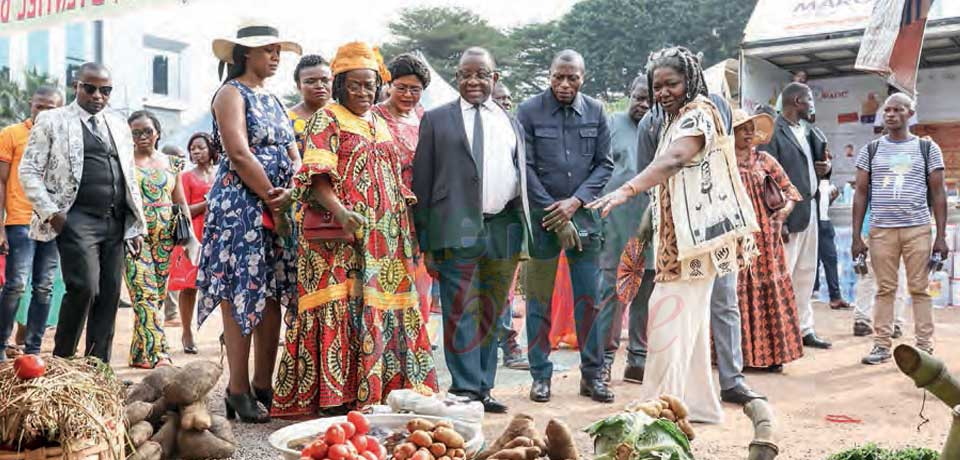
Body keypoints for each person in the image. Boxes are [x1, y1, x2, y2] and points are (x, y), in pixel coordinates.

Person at [588, 46, 760, 423]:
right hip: (680, 241)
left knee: (666, 321)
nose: (663, 92)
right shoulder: (669, 118)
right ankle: (697, 407)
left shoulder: (698, 114)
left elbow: (674, 159)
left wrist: (626, 190)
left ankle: (655, 414)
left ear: (690, 81)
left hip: (695, 244)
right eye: (657, 86)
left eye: (672, 84)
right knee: (691, 329)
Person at [272, 42, 438, 416]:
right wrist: (343, 212)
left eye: (370, 85)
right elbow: (315, 176)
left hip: (385, 240)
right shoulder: (326, 119)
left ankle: (380, 394)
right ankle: (335, 399)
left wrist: (404, 226)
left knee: (377, 307)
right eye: (355, 85)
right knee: (341, 305)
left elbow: (393, 177)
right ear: (340, 85)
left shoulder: (378, 121)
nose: (364, 92)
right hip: (339, 239)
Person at [413, 47, 532, 414]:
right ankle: (464, 388)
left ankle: (484, 387)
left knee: (494, 314)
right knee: (460, 311)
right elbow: (422, 183)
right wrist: (427, 243)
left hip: (503, 228)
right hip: (455, 229)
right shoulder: (436, 120)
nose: (473, 81)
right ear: (458, 76)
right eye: (466, 74)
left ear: (495, 78)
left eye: (482, 74)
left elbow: (519, 177)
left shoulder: (510, 122)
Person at [198, 23, 302, 423]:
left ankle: (263, 383)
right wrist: (271, 198)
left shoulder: (274, 99)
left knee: (273, 292)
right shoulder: (230, 93)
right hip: (240, 206)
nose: (275, 57)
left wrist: (288, 192)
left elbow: (294, 154)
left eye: (278, 50)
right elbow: (239, 153)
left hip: (278, 203)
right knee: (242, 292)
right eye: (267, 51)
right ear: (244, 54)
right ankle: (237, 388)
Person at [19, 62, 146, 364]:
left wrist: (134, 224)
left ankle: (96, 368)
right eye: (90, 88)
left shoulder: (117, 124)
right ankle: (63, 361)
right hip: (75, 219)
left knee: (110, 294)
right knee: (84, 286)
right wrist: (52, 213)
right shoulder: (52, 120)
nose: (98, 95)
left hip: (115, 220)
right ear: (76, 86)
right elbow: (29, 171)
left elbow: (128, 174)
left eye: (106, 90)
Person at [519, 49, 614, 404]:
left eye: (572, 77)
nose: (564, 83)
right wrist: (555, 211)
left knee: (588, 300)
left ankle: (592, 377)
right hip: (543, 222)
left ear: (582, 78)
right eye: (558, 76)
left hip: (585, 219)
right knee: (538, 300)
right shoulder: (528, 111)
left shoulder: (596, 111)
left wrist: (575, 203)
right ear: (549, 75)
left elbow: (604, 166)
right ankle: (540, 376)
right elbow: (524, 168)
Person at [852, 93, 947, 365]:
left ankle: (924, 348)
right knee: (885, 289)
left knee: (919, 288)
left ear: (910, 113)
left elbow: (938, 194)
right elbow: (860, 194)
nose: (890, 114)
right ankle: (881, 345)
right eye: (887, 110)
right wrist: (858, 236)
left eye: (897, 110)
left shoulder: (927, 149)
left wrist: (940, 236)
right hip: (881, 230)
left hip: (917, 228)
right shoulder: (870, 150)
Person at [759, 82, 832, 350]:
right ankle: (778, 334)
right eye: (810, 99)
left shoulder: (808, 130)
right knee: (784, 273)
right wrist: (780, 219)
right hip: (788, 215)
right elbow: (767, 179)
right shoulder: (773, 132)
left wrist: (826, 168)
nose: (813, 104)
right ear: (797, 101)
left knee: (806, 272)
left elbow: (817, 166)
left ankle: (804, 329)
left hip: (810, 208)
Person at [731, 109, 804, 372]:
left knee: (769, 292)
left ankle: (772, 357)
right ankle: (740, 358)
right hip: (736, 242)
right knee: (736, 296)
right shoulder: (723, 162)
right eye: (743, 128)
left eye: (751, 127)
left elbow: (790, 190)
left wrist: (783, 213)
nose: (749, 132)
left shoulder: (765, 160)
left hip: (768, 240)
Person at [592, 75, 652, 385]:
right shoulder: (612, 124)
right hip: (616, 225)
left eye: (649, 99)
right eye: (638, 97)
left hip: (653, 225)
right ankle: (603, 361)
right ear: (630, 95)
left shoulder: (661, 128)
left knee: (646, 291)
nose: (643, 104)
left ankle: (637, 360)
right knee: (613, 294)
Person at [125, 110, 194, 369]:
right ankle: (158, 353)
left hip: (165, 238)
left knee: (156, 297)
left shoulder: (172, 163)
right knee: (143, 293)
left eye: (147, 131)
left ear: (157, 133)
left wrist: (190, 240)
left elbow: (180, 203)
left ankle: (139, 353)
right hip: (135, 236)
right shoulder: (124, 162)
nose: (142, 136)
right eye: (135, 132)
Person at [0, 86, 63, 360]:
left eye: (51, 108)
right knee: (15, 284)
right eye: (40, 106)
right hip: (19, 222)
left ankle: (33, 349)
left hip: (51, 225)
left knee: (45, 286)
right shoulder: (11, 134)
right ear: (31, 104)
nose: (44, 112)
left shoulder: (63, 139)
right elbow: (1, 182)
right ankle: (1, 345)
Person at [167, 132, 218, 354]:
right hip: (194, 235)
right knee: (190, 287)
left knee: (223, 286)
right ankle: (187, 331)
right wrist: (208, 203)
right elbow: (182, 209)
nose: (195, 152)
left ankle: (229, 333)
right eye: (192, 149)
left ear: (211, 150)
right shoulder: (186, 177)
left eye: (200, 147)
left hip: (218, 234)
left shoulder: (220, 174)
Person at [160, 144, 186, 326]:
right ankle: (169, 313)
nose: (181, 161)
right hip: (160, 231)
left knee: (174, 273)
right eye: (178, 157)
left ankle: (171, 313)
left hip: (178, 232)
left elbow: (183, 204)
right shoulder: (161, 176)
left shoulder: (179, 176)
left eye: (183, 157)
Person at [288, 54, 333, 152]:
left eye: (325, 80)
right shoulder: (287, 120)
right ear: (299, 85)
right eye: (310, 81)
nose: (319, 86)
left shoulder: (345, 115)